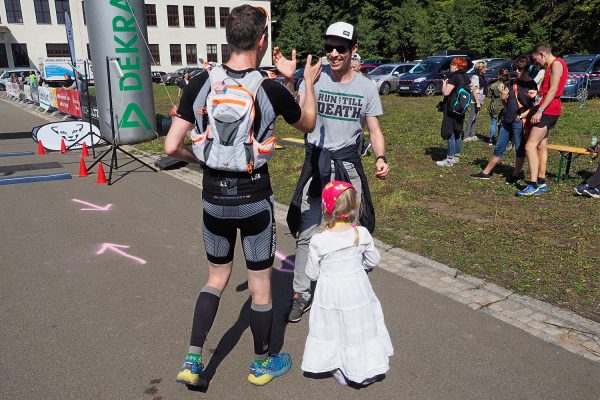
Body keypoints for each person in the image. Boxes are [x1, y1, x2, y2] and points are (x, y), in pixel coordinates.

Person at [164, 4, 321, 387]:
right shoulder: (268, 87)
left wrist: (201, 162)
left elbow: (171, 146)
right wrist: (305, 82)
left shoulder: (200, 82)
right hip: (254, 199)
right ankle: (262, 364)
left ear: (226, 37)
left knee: (216, 277)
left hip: (214, 199)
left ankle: (193, 359)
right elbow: (309, 122)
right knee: (261, 285)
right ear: (262, 40)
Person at [273, 21, 389, 323]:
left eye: (341, 48)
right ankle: (301, 293)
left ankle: (349, 291)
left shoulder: (366, 87)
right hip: (317, 163)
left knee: (350, 232)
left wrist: (381, 157)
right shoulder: (314, 79)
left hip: (347, 166)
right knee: (307, 232)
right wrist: (289, 81)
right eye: (329, 48)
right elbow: (295, 116)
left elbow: (374, 129)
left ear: (354, 50)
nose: (334, 53)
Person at [300, 181, 393, 386]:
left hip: (331, 290)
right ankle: (368, 365)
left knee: (334, 326)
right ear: (354, 207)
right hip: (357, 287)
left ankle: (341, 365)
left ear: (325, 207)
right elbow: (373, 260)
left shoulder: (319, 240)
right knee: (360, 324)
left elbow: (312, 273)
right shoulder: (361, 233)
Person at [471, 56, 538, 183]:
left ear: (527, 69)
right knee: (499, 146)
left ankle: (516, 174)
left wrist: (522, 116)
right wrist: (503, 97)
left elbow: (535, 106)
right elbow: (505, 102)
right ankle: (486, 172)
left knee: (519, 148)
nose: (517, 71)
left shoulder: (531, 84)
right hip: (506, 119)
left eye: (520, 69)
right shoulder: (512, 82)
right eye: (515, 68)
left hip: (519, 121)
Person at [516, 43, 568, 196]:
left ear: (542, 54)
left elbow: (553, 90)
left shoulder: (556, 64)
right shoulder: (553, 65)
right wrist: (537, 93)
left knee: (529, 146)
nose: (537, 63)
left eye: (536, 59)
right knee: (541, 146)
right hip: (551, 107)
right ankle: (541, 181)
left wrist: (539, 110)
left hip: (548, 109)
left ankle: (533, 184)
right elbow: (549, 89)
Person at [436, 57, 470, 168]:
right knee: (458, 132)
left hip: (451, 109)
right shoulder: (466, 77)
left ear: (456, 66)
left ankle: (449, 159)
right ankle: (456, 157)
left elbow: (446, 93)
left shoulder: (454, 77)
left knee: (450, 133)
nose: (450, 66)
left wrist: (444, 83)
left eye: (451, 64)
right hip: (460, 109)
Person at [463, 61, 488, 142]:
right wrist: (477, 102)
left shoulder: (481, 75)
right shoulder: (475, 77)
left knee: (475, 118)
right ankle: (466, 136)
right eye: (484, 68)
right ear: (479, 69)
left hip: (480, 100)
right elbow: (474, 90)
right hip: (475, 101)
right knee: (471, 118)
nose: (486, 69)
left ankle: (472, 134)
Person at [486, 67, 510, 145]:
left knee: (493, 123)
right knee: (501, 123)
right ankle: (500, 139)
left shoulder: (492, 85)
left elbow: (489, 95)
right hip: (503, 104)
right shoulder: (507, 85)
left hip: (494, 105)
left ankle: (491, 139)